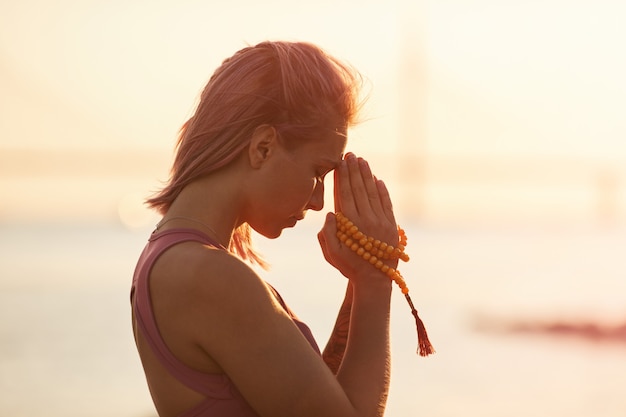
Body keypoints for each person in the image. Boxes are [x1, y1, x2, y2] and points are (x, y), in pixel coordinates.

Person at [131, 40, 402, 417]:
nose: (318, 201)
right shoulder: (211, 277)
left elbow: (321, 401)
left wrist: (360, 281)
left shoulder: (171, 258)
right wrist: (376, 280)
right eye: (317, 172)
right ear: (263, 147)